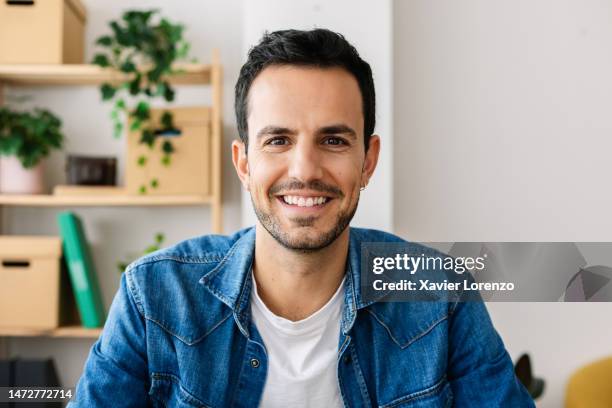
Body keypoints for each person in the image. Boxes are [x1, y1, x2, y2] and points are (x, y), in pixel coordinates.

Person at [70, 28, 534, 407]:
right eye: (278, 140)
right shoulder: (153, 296)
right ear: (244, 162)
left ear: (368, 161)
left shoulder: (440, 294)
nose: (305, 171)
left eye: (333, 140)